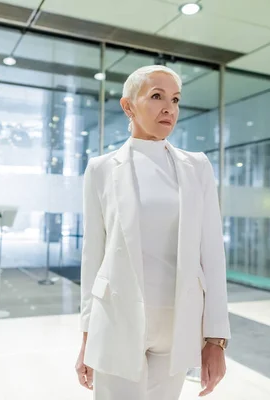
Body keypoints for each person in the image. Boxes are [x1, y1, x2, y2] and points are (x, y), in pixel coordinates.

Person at [75, 65, 231, 399]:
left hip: (178, 325)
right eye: (157, 96)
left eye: (175, 100)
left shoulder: (197, 167)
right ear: (128, 106)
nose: (169, 109)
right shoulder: (101, 170)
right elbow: (93, 258)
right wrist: (87, 337)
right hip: (117, 321)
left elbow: (212, 257)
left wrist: (216, 340)